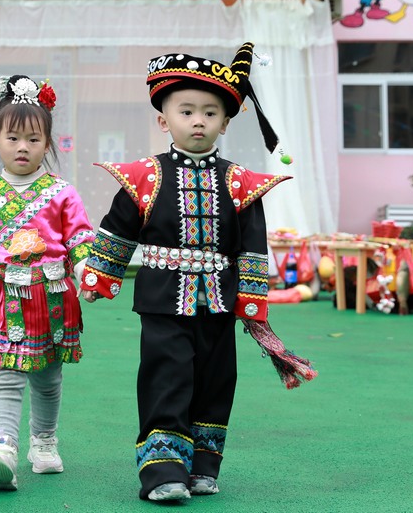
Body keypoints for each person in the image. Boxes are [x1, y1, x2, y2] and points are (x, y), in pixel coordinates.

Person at [80, 43, 317, 502]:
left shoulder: (242, 183)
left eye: (210, 113)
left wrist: (251, 304)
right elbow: (118, 228)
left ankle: (204, 466)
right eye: (186, 110)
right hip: (162, 302)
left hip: (219, 303)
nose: (198, 121)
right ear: (162, 119)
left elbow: (252, 246)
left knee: (215, 380)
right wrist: (100, 275)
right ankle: (163, 471)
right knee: (166, 376)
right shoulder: (144, 177)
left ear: (226, 123)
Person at [0, 74, 94, 492]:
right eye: (13, 138)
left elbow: (80, 237)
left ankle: (44, 442)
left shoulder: (63, 192)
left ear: (48, 145)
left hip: (51, 297)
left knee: (48, 377)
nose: (22, 147)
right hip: (3, 296)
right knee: (6, 375)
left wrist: (86, 270)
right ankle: (2, 449)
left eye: (34, 140)